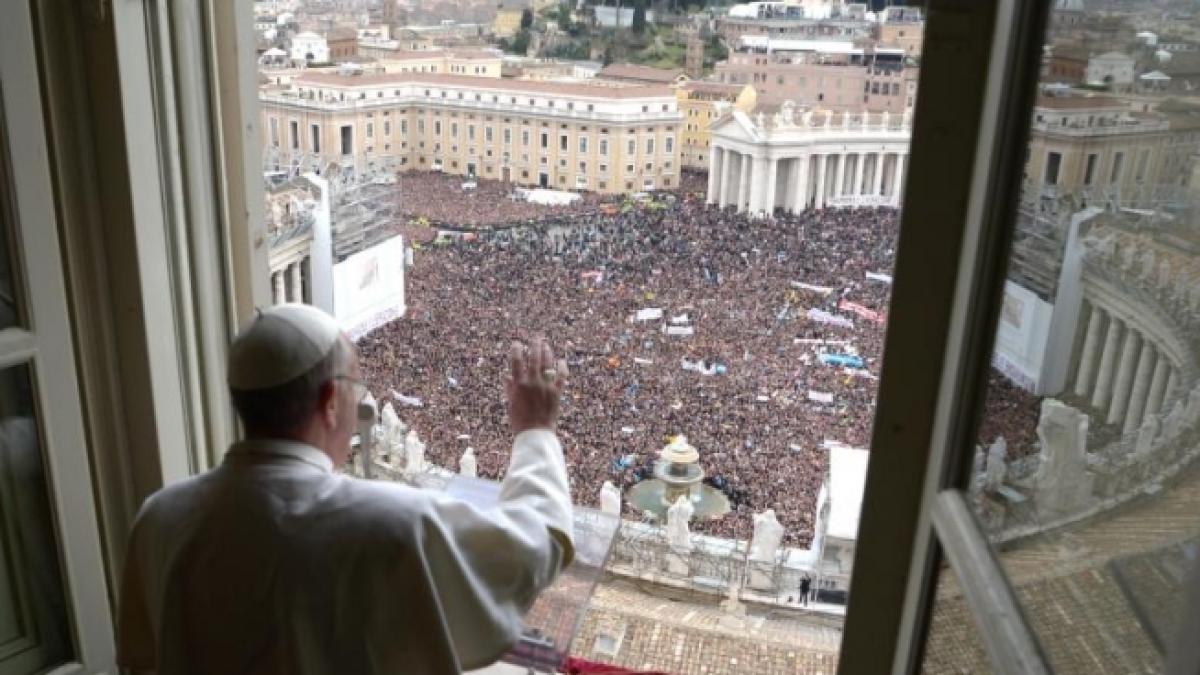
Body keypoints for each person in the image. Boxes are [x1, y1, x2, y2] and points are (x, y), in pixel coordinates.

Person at [116, 304, 574, 674]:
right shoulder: (394, 523)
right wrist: (535, 429)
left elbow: (142, 662)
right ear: (330, 402)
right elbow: (535, 545)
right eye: (356, 386)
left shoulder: (159, 517)